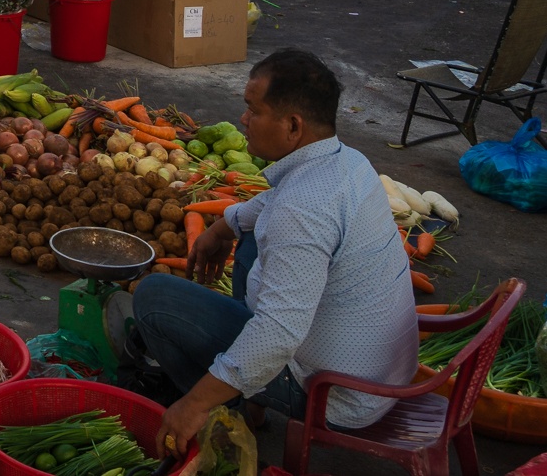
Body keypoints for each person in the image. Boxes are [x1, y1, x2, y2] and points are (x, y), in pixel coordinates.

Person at [135, 50, 417, 450]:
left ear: (293, 125)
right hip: (382, 377)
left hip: (336, 396)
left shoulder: (302, 211)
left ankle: (220, 415)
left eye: (254, 110)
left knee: (154, 297)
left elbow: (278, 333)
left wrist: (193, 404)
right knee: (252, 240)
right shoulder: (347, 161)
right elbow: (273, 201)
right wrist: (223, 226)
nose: (243, 119)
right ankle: (247, 400)